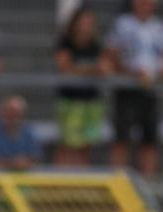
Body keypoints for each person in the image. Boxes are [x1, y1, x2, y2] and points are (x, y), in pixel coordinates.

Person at [104, 0, 163, 176]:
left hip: (150, 89)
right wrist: (131, 73)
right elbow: (110, 58)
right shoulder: (122, 24)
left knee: (149, 140)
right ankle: (119, 184)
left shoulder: (160, 27)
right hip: (127, 89)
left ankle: (147, 189)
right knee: (121, 139)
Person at [54, 6, 108, 166]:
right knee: (67, 144)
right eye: (82, 20)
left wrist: (82, 70)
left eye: (88, 21)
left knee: (86, 145)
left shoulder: (95, 45)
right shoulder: (65, 43)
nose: (85, 24)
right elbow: (64, 67)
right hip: (71, 100)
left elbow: (105, 67)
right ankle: (60, 181)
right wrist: (91, 70)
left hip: (91, 101)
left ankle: (82, 178)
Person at [0, 95, 42, 170]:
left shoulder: (29, 132)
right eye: (9, 112)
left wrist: (24, 162)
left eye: (16, 114)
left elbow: (35, 157)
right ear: (2, 112)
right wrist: (12, 163)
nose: (12, 117)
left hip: (25, 176)